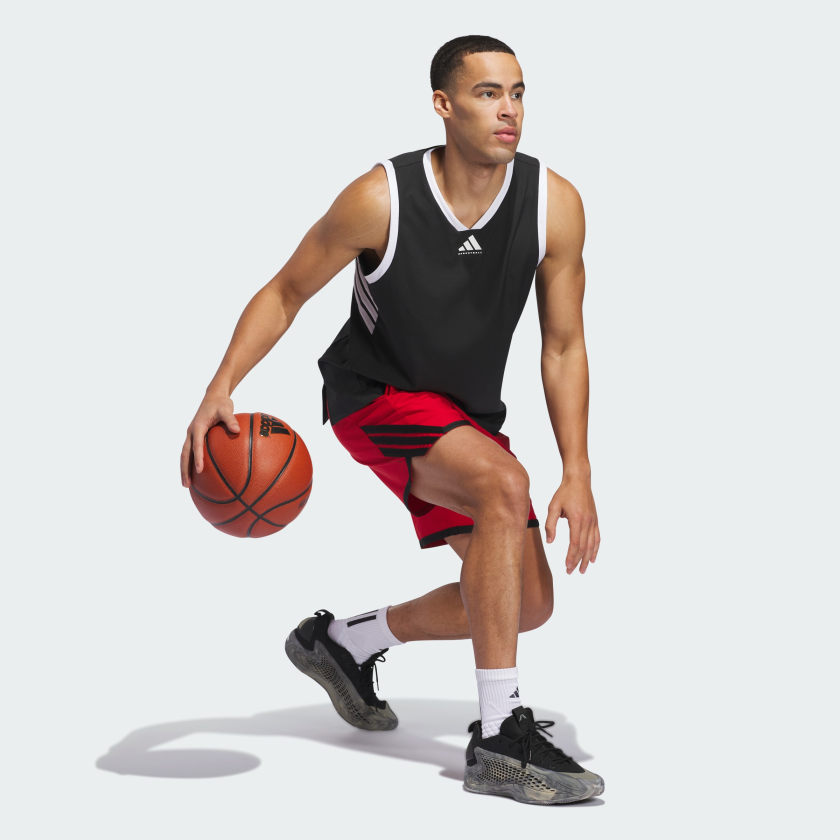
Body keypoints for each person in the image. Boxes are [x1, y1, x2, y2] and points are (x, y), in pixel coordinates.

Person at [180, 34, 603, 805]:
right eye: (487, 93)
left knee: (527, 603)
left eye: (517, 93)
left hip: (463, 415)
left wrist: (577, 470)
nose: (507, 109)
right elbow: (285, 292)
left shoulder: (555, 204)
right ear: (444, 105)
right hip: (374, 396)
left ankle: (346, 643)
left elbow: (564, 345)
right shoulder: (383, 198)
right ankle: (499, 738)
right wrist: (221, 385)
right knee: (504, 485)